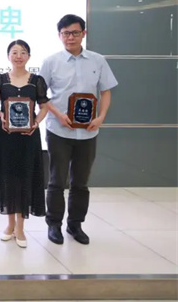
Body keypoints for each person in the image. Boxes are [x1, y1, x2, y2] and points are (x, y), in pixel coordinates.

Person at [40, 14, 118, 245]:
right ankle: (54, 224)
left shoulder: (98, 60)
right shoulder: (51, 62)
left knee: (81, 182)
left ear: (84, 33)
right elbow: (41, 96)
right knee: (56, 180)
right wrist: (58, 115)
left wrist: (101, 117)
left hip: (88, 131)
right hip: (59, 130)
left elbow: (105, 91)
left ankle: (75, 224)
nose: (70, 37)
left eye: (75, 32)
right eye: (65, 33)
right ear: (59, 36)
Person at [0, 40, 49, 248]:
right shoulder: (0, 79)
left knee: (25, 177)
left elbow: (44, 106)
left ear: (29, 56)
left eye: (23, 52)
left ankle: (20, 227)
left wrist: (36, 123)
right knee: (8, 177)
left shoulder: (37, 80)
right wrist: (1, 116)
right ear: (8, 56)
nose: (18, 56)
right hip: (5, 135)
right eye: (14, 52)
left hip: (28, 136)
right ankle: (9, 224)